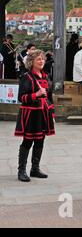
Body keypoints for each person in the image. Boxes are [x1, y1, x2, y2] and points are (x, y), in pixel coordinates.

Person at [14, 50, 55, 182]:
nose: (41, 61)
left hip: (43, 113)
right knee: (28, 141)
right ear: (31, 62)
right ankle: (21, 171)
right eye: (38, 59)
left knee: (40, 140)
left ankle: (35, 169)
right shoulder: (27, 77)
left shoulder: (45, 76)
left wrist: (52, 112)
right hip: (30, 114)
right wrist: (35, 95)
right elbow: (21, 97)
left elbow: (49, 97)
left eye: (42, 59)